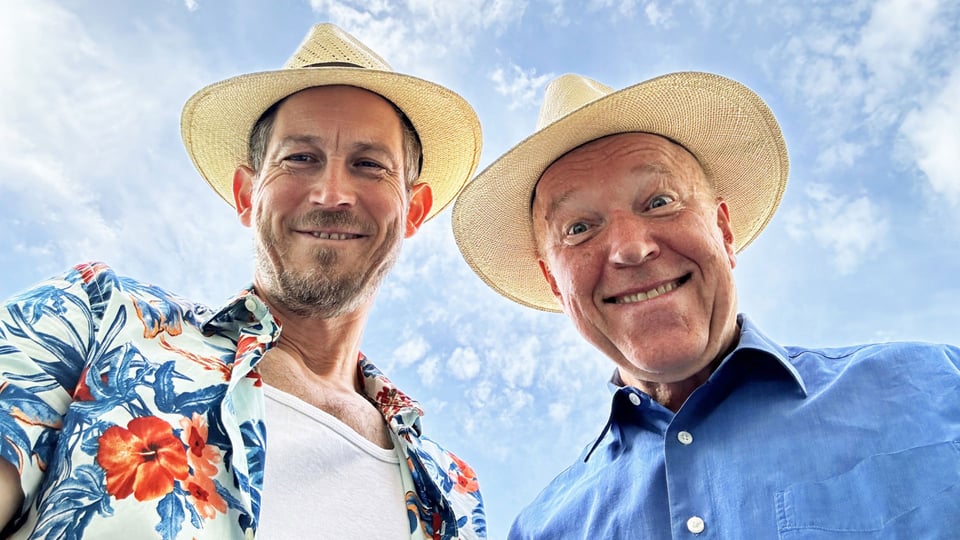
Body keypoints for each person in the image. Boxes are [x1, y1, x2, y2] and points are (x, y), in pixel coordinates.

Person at [0, 23, 486, 539]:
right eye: (300, 158)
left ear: (414, 211)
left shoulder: (454, 492)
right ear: (246, 194)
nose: (331, 193)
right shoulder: (95, 319)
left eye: (369, 165)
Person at [452, 72, 960, 538]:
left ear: (723, 229)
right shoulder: (541, 530)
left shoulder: (939, 389)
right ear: (554, 284)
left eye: (659, 202)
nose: (631, 247)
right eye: (579, 228)